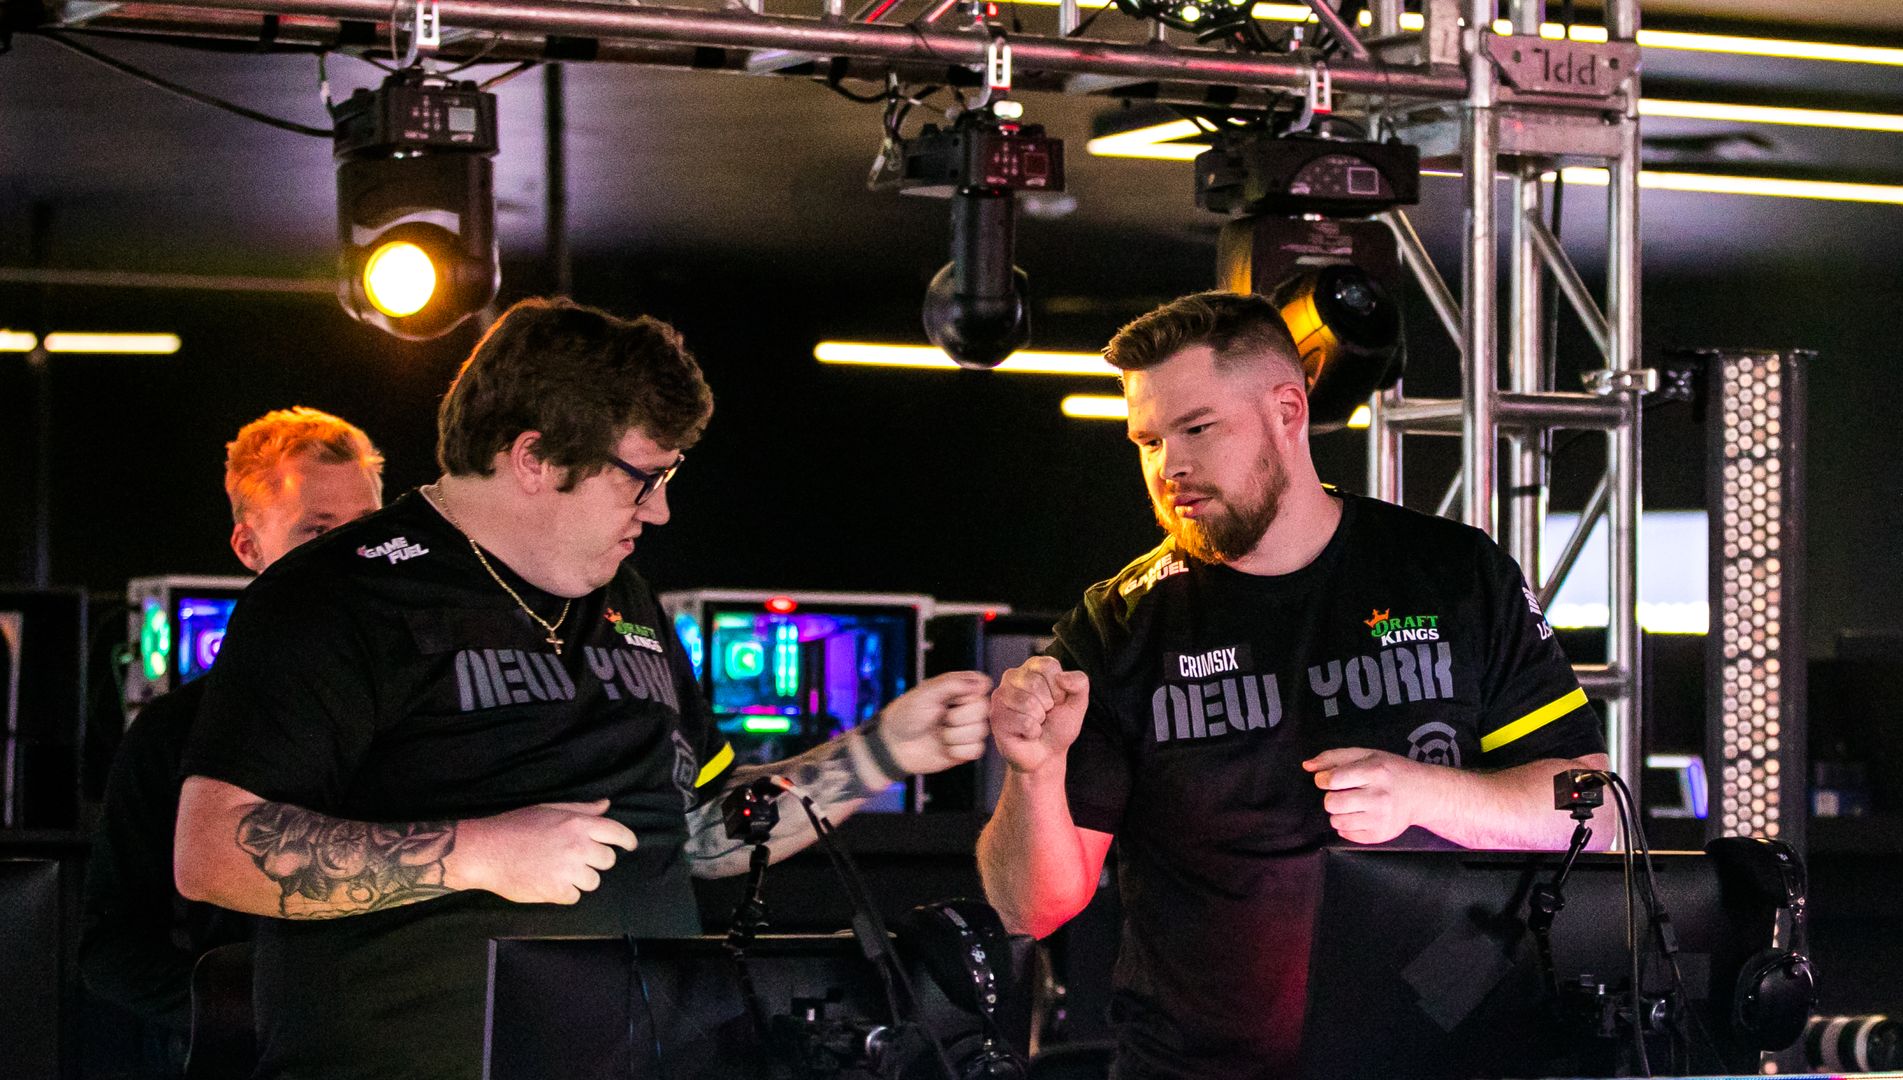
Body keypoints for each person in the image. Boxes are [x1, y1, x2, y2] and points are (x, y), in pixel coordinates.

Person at [172, 298, 993, 1080]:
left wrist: (882, 752)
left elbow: (703, 834)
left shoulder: (625, 597)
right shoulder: (337, 595)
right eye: (641, 477)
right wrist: (476, 852)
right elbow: (211, 852)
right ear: (533, 459)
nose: (660, 510)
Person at [975, 291, 1613, 1080]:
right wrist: (1032, 774)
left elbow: (1595, 811)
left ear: (1286, 409)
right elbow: (1027, 907)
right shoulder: (1118, 626)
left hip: (1450, 1058)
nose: (1169, 466)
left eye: (1198, 429)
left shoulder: (1452, 571)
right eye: (1147, 440)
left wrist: (1426, 797)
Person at [80, 406, 387, 1076]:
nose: (350, 555)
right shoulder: (171, 732)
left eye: (366, 530)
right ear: (249, 548)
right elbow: (111, 950)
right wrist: (249, 1007)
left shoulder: (429, 704)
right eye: (317, 531)